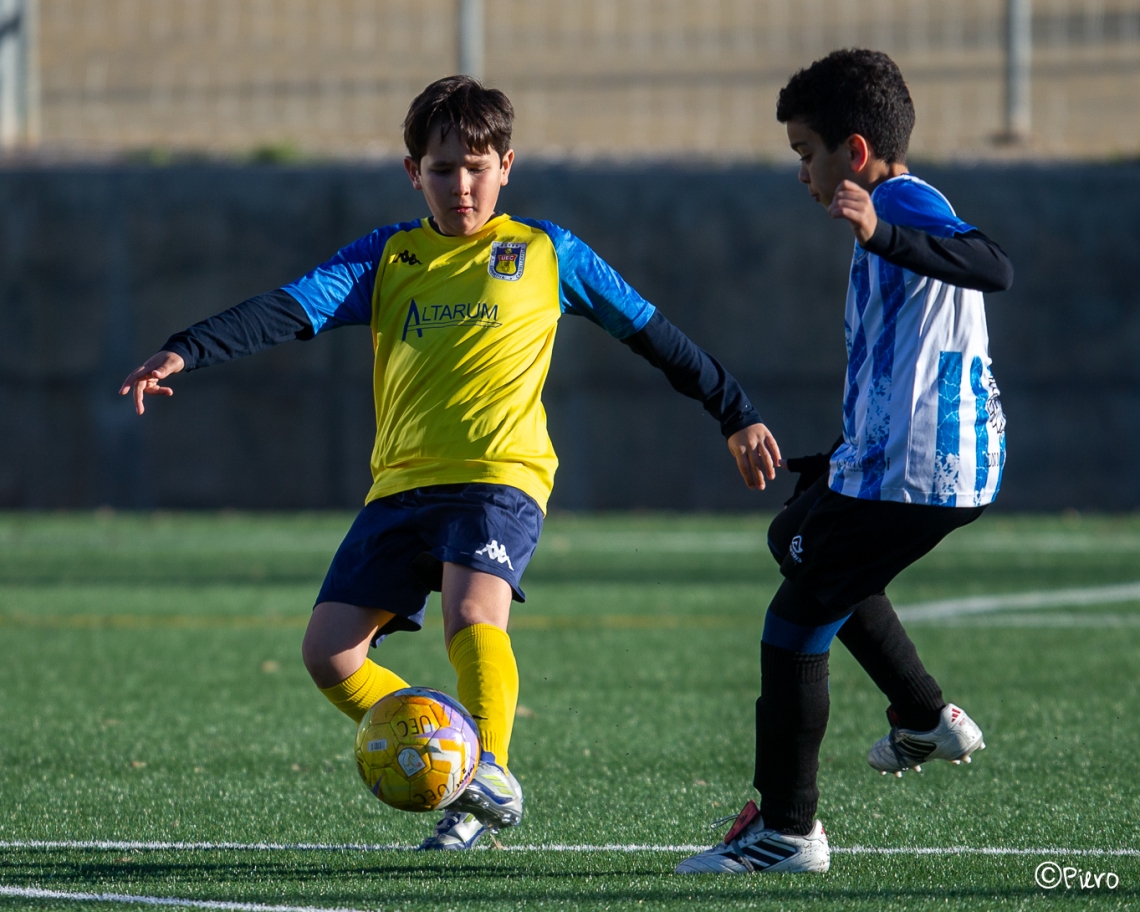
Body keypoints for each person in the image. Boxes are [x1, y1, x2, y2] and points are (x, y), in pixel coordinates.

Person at [120, 75, 782, 852]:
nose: (460, 185)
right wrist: (186, 349)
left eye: (476, 167)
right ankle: (456, 766)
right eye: (441, 169)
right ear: (413, 173)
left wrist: (735, 412)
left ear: (507, 166)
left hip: (501, 474)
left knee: (472, 613)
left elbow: (654, 334)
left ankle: (487, 769)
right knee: (328, 653)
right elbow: (286, 307)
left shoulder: (547, 253)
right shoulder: (387, 256)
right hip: (400, 483)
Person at [677, 49, 1013, 875]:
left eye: (806, 153)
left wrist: (883, 231)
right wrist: (835, 459)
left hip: (922, 473)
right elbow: (899, 365)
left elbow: (992, 264)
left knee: (793, 620)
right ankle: (923, 715)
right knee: (797, 537)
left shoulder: (904, 201)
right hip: (904, 465)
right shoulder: (890, 210)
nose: (802, 173)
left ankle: (788, 832)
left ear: (854, 153)